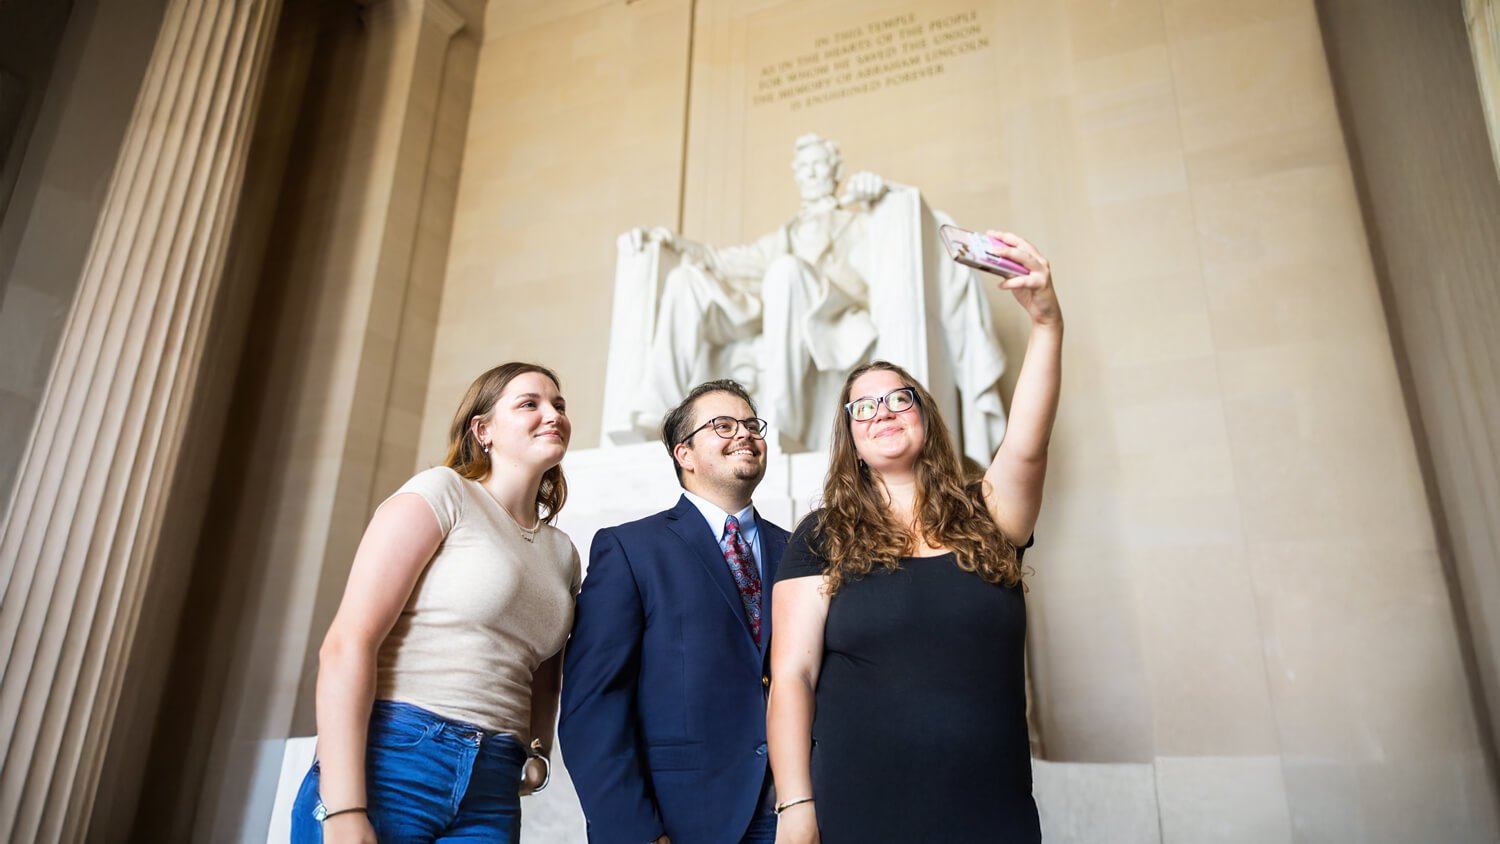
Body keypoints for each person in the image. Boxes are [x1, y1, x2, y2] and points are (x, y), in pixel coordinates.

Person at [766, 230, 1061, 843]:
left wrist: (1046, 325)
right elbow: (792, 675)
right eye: (863, 407)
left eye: (899, 398)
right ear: (850, 437)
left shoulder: (990, 514)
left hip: (992, 808)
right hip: (863, 805)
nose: (882, 412)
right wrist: (796, 806)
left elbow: (1028, 444)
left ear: (925, 415)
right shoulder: (823, 535)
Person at [290, 363, 581, 843]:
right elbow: (348, 643)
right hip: (396, 756)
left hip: (493, 784)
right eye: (530, 403)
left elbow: (545, 668)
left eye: (559, 405)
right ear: (483, 429)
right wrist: (344, 807)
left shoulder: (563, 552)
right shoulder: (442, 493)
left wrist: (537, 751)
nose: (552, 414)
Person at [620, 133, 1007, 457]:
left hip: (839, 314)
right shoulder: (787, 234)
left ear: (835, 171)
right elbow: (725, 261)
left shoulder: (860, 219)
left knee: (787, 272)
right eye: (803, 168)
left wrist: (881, 193)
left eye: (819, 165)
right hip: (780, 303)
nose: (811, 174)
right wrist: (672, 243)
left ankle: (777, 423)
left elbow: (904, 246)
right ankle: (663, 412)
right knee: (688, 279)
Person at [560, 380, 791, 844]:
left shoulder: (798, 552)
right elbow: (594, 703)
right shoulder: (629, 549)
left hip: (790, 816)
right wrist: (634, 832)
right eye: (722, 426)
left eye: (751, 424)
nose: (744, 433)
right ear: (683, 454)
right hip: (680, 820)